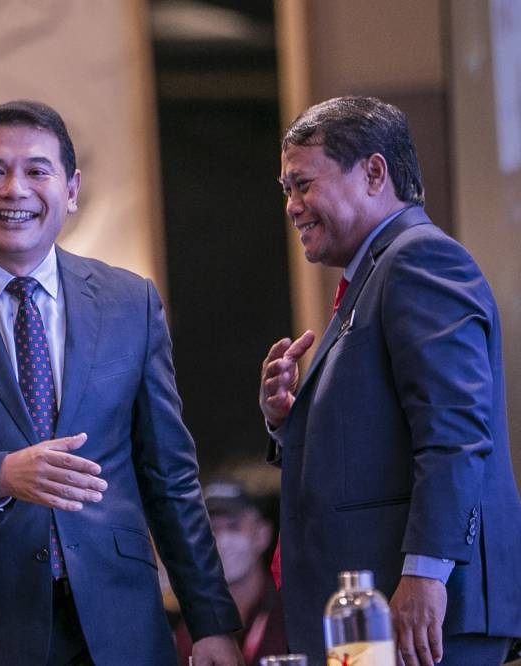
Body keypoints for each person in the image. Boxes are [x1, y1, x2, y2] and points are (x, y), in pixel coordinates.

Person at [0, 99, 243, 666]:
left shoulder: (131, 303)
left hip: (117, 625)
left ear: (72, 189)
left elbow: (169, 478)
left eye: (38, 170)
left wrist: (210, 622)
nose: (15, 189)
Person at [259, 96, 521, 665]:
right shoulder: (373, 275)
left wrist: (424, 576)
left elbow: (454, 433)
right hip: (375, 618)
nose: (292, 206)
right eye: (286, 189)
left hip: (422, 619)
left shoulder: (419, 260)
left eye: (303, 184)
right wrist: (288, 420)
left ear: (374, 172)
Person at [173, 480, 286, 666]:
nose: (222, 539)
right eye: (211, 529)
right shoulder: (193, 629)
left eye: (233, 526)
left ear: (262, 534)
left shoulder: (288, 615)